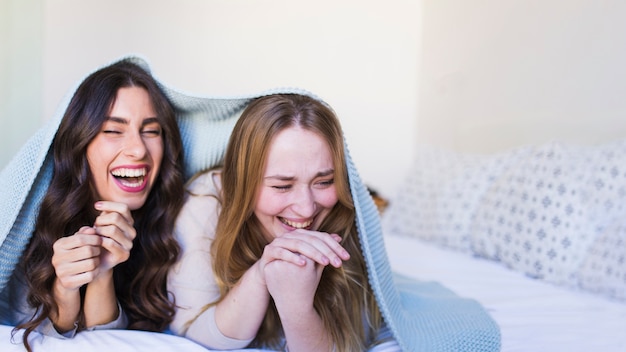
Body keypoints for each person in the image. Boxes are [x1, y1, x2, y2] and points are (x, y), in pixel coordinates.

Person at [168, 94, 400, 351]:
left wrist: (296, 307)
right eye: (282, 185)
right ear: (242, 183)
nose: (306, 207)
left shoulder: (348, 214)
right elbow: (194, 333)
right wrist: (260, 275)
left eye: (323, 182)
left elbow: (348, 342)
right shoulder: (204, 201)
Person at [0, 60, 185, 351]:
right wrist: (65, 287)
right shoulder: (35, 222)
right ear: (80, 143)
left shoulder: (174, 219)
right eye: (113, 131)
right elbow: (34, 337)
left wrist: (103, 271)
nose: (138, 149)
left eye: (151, 131)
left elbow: (107, 342)